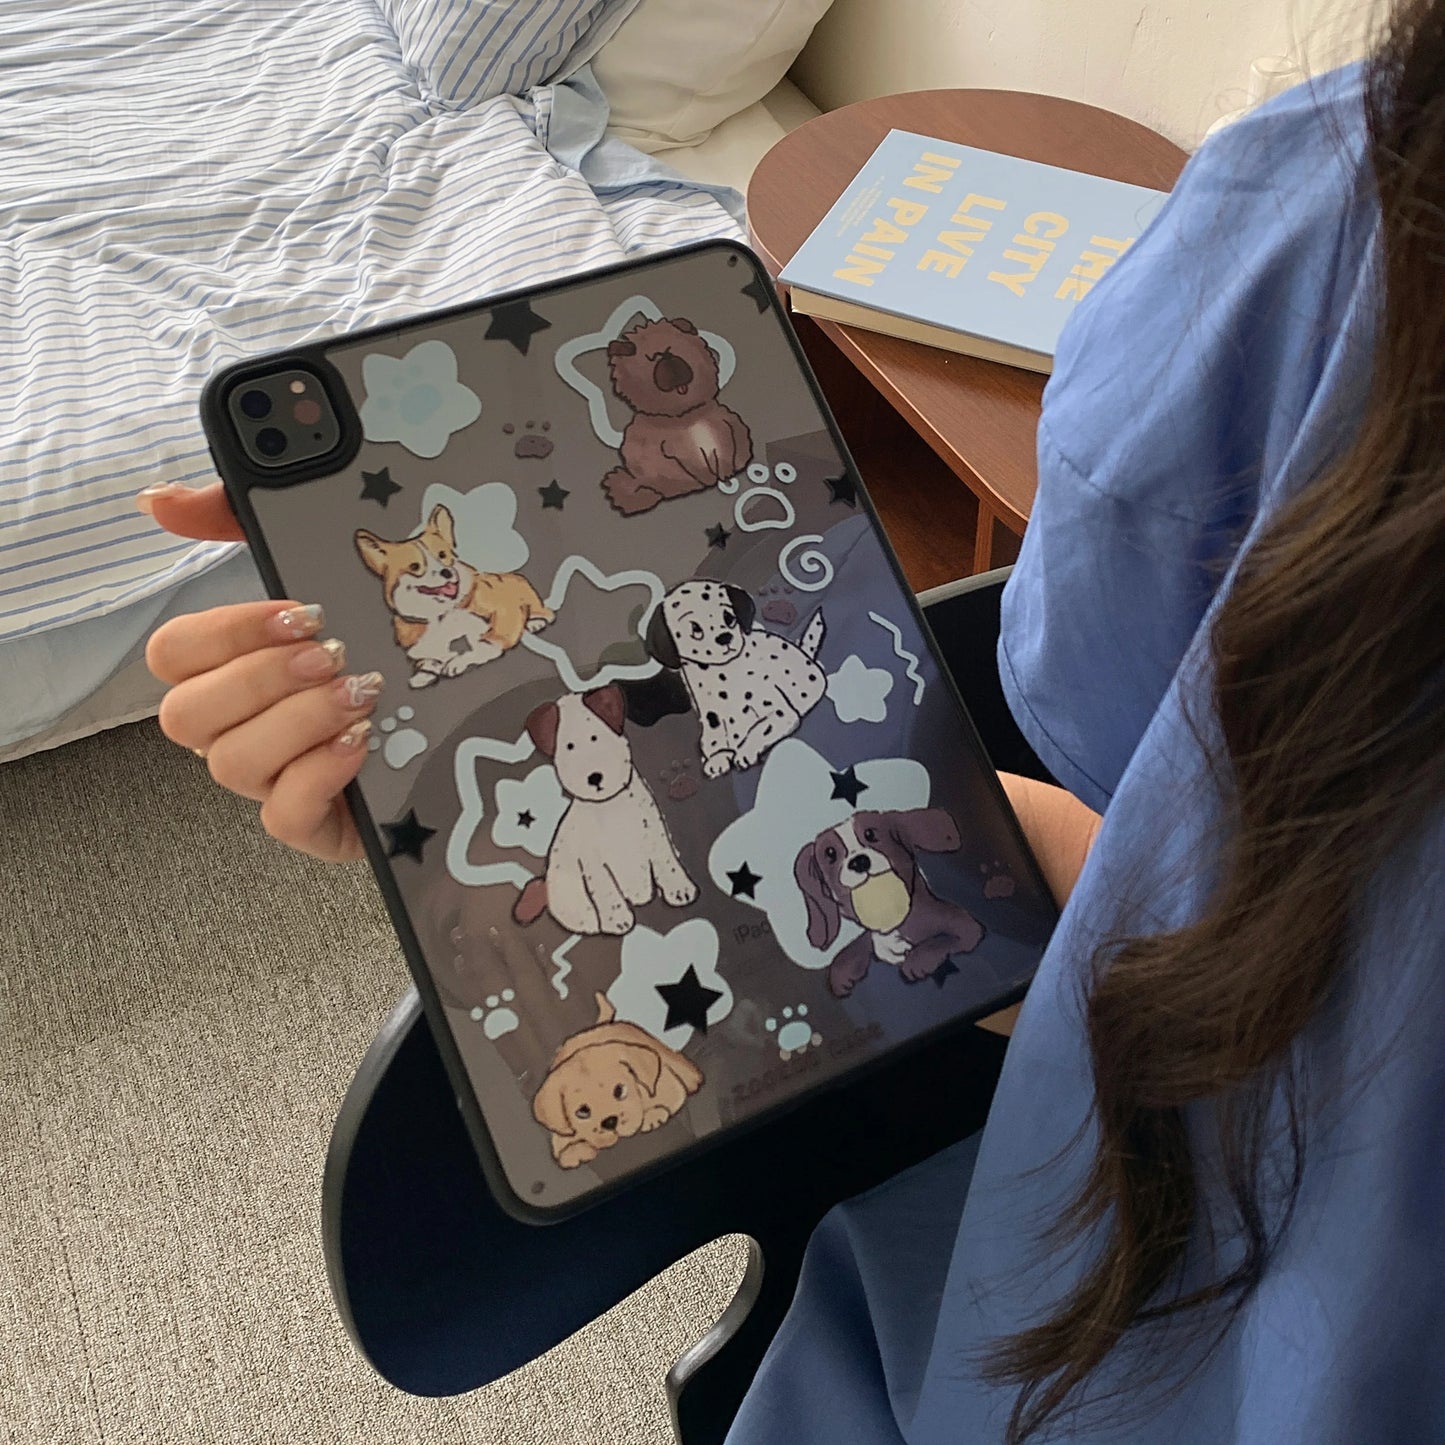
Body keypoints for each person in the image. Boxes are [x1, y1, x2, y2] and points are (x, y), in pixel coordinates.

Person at [139, 0, 1445, 1434]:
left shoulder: (1339, 226)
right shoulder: (1337, 234)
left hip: (1072, 1326)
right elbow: (1176, 919)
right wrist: (467, 832)